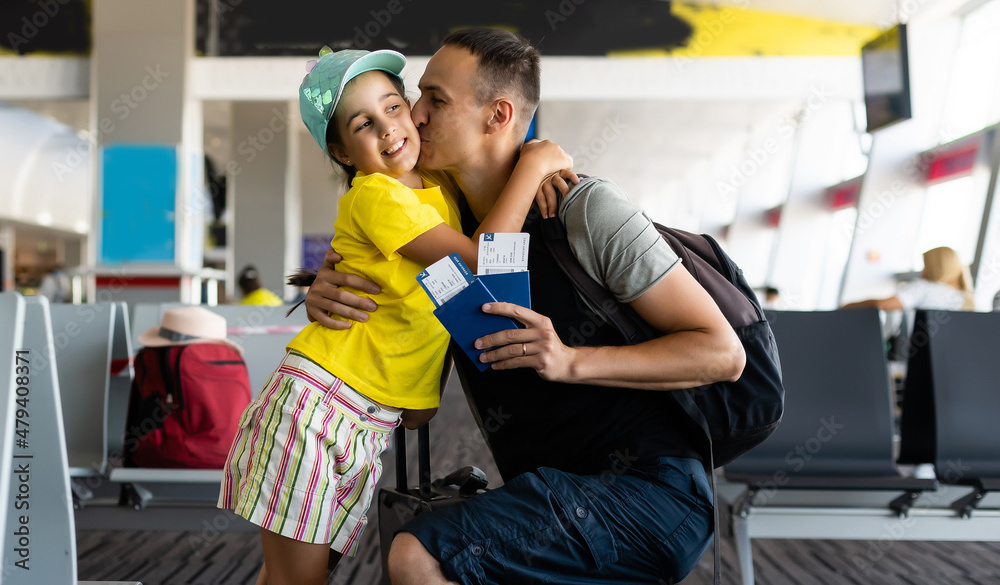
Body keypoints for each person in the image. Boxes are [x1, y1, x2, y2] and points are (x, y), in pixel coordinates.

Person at [304, 29, 745, 585]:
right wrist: (328, 279)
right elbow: (414, 293)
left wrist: (570, 360)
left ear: (498, 116)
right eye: (415, 98)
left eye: (434, 101)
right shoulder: (445, 225)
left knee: (418, 556)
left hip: (651, 492)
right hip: (544, 492)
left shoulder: (588, 212)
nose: (413, 117)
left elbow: (722, 353)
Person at [217, 47, 571, 585]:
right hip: (315, 410)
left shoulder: (437, 188)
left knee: (295, 576)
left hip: (364, 423)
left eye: (394, 107)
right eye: (364, 124)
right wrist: (535, 164)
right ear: (340, 150)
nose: (388, 129)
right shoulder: (378, 196)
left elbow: (433, 309)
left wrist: (420, 398)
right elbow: (481, 261)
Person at [841, 246, 975, 313]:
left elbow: (883, 305)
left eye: (926, 266)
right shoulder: (966, 299)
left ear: (936, 267)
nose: (923, 271)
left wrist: (848, 306)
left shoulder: (924, 288)